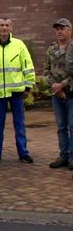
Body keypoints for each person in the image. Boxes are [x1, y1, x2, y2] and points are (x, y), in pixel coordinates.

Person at [0, 18, 35, 164]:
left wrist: (28, 86)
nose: (4, 28)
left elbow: (27, 65)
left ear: (11, 27)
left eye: (7, 25)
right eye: (1, 25)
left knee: (19, 124)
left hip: (16, 92)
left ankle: (23, 152)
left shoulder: (19, 45)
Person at [47, 18, 73, 171]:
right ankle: (63, 155)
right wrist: (54, 87)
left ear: (70, 30)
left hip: (70, 93)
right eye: (57, 29)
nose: (59, 31)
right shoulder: (51, 49)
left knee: (72, 126)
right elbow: (46, 70)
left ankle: (72, 157)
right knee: (61, 127)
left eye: (62, 28)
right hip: (56, 94)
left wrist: (62, 86)